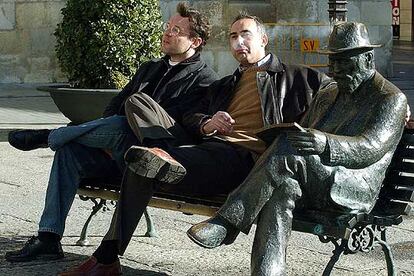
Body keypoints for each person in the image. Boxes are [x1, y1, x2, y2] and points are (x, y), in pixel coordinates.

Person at [58, 13, 332, 276]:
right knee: (142, 160)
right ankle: (107, 259)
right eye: (233, 36)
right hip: (208, 152)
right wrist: (208, 123)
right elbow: (190, 117)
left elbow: (338, 96)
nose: (239, 42)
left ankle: (159, 163)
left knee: (147, 162)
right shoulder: (224, 85)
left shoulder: (298, 78)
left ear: (263, 40)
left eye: (245, 34)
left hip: (249, 162)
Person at [186, 22, 408, 276]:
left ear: (368, 58)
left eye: (344, 62)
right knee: (284, 186)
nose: (335, 70)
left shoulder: (390, 98)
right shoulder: (329, 92)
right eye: (332, 62)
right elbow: (305, 129)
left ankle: (227, 221)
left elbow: (369, 148)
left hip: (353, 185)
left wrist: (323, 143)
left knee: (288, 149)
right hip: (316, 178)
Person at [5, 2, 217, 263]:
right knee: (70, 150)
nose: (168, 33)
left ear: (195, 41)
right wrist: (102, 139)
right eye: (168, 27)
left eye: (177, 30)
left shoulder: (205, 79)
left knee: (128, 115)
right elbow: (114, 106)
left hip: (153, 160)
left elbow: (180, 128)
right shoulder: (150, 68)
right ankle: (48, 238)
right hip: (115, 151)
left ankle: (51, 135)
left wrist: (121, 127)